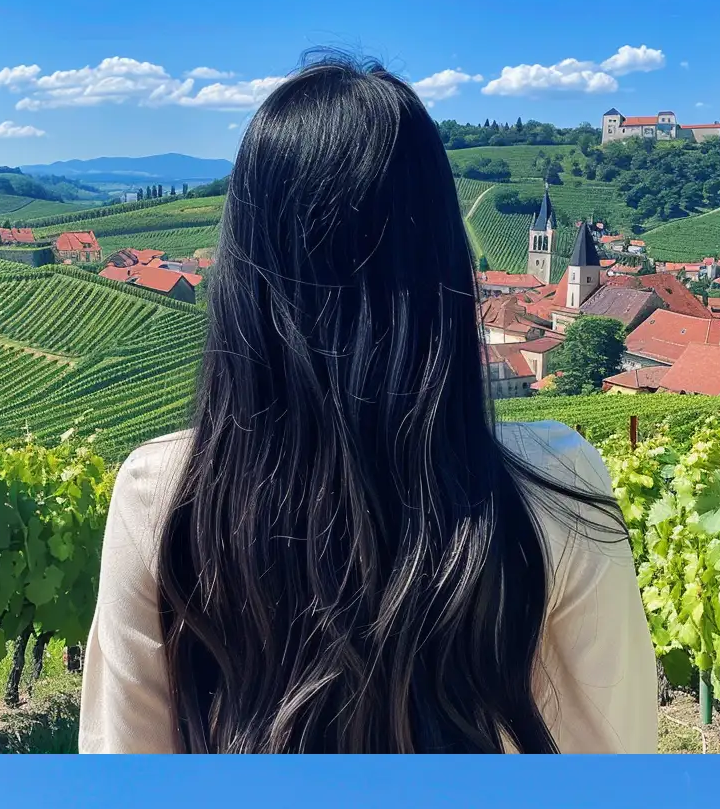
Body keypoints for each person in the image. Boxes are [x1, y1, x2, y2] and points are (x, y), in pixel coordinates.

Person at [79, 56, 655, 753]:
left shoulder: (162, 495)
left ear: (242, 267)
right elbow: (613, 760)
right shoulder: (558, 484)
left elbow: (128, 776)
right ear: (442, 254)